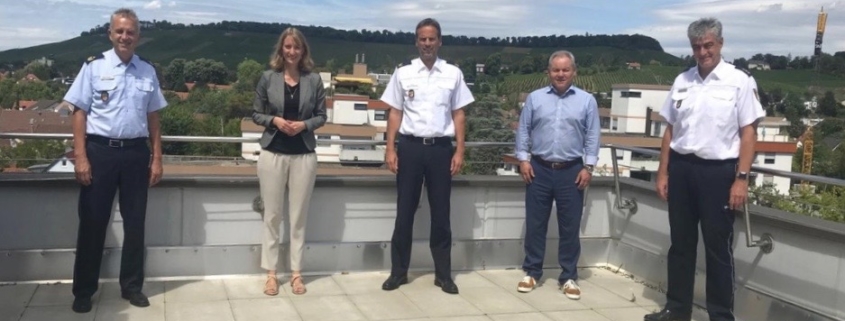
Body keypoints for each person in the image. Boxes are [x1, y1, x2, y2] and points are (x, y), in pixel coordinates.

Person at [645, 18, 764, 321]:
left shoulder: (740, 81)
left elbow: (749, 134)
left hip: (719, 173)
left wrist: (741, 179)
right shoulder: (682, 80)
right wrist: (663, 172)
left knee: (717, 250)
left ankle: (721, 316)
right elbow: (670, 131)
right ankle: (676, 310)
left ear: (720, 44)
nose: (702, 51)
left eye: (708, 45)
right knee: (681, 245)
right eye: (697, 46)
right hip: (683, 170)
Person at [62, 8, 167, 313]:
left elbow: (154, 118)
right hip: (100, 152)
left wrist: (157, 157)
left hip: (136, 154)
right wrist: (81, 157)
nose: (125, 36)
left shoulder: (147, 70)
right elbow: (79, 112)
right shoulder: (94, 67)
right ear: (110, 33)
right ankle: (83, 291)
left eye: (130, 32)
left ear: (138, 36)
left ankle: (131, 286)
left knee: (135, 224)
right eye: (119, 31)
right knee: (93, 222)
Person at [379, 18, 474, 294]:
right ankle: (398, 273)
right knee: (404, 213)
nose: (427, 43)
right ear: (416, 41)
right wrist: (390, 147)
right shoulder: (403, 73)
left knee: (441, 215)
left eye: (432, 39)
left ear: (440, 41)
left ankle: (443, 275)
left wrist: (460, 149)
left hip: (441, 150)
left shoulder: (453, 74)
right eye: (422, 38)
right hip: (409, 149)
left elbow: (459, 113)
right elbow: (395, 112)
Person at [514, 50, 599, 299]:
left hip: (572, 170)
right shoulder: (535, 98)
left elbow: (593, 135)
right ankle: (531, 271)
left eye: (565, 69)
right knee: (535, 224)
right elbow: (524, 130)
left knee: (570, 227)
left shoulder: (586, 101)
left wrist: (589, 167)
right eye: (556, 69)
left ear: (574, 71)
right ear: (548, 72)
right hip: (538, 168)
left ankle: (569, 276)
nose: (560, 74)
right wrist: (523, 160)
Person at [251, 27, 327, 296]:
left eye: (297, 47)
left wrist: (304, 125)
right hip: (273, 153)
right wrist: (275, 121)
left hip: (304, 155)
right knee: (271, 215)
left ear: (303, 50)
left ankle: (296, 274)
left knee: (298, 218)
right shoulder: (267, 78)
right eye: (287, 47)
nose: (292, 52)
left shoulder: (314, 80)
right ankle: (271, 274)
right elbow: (256, 114)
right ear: (281, 50)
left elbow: (321, 116)